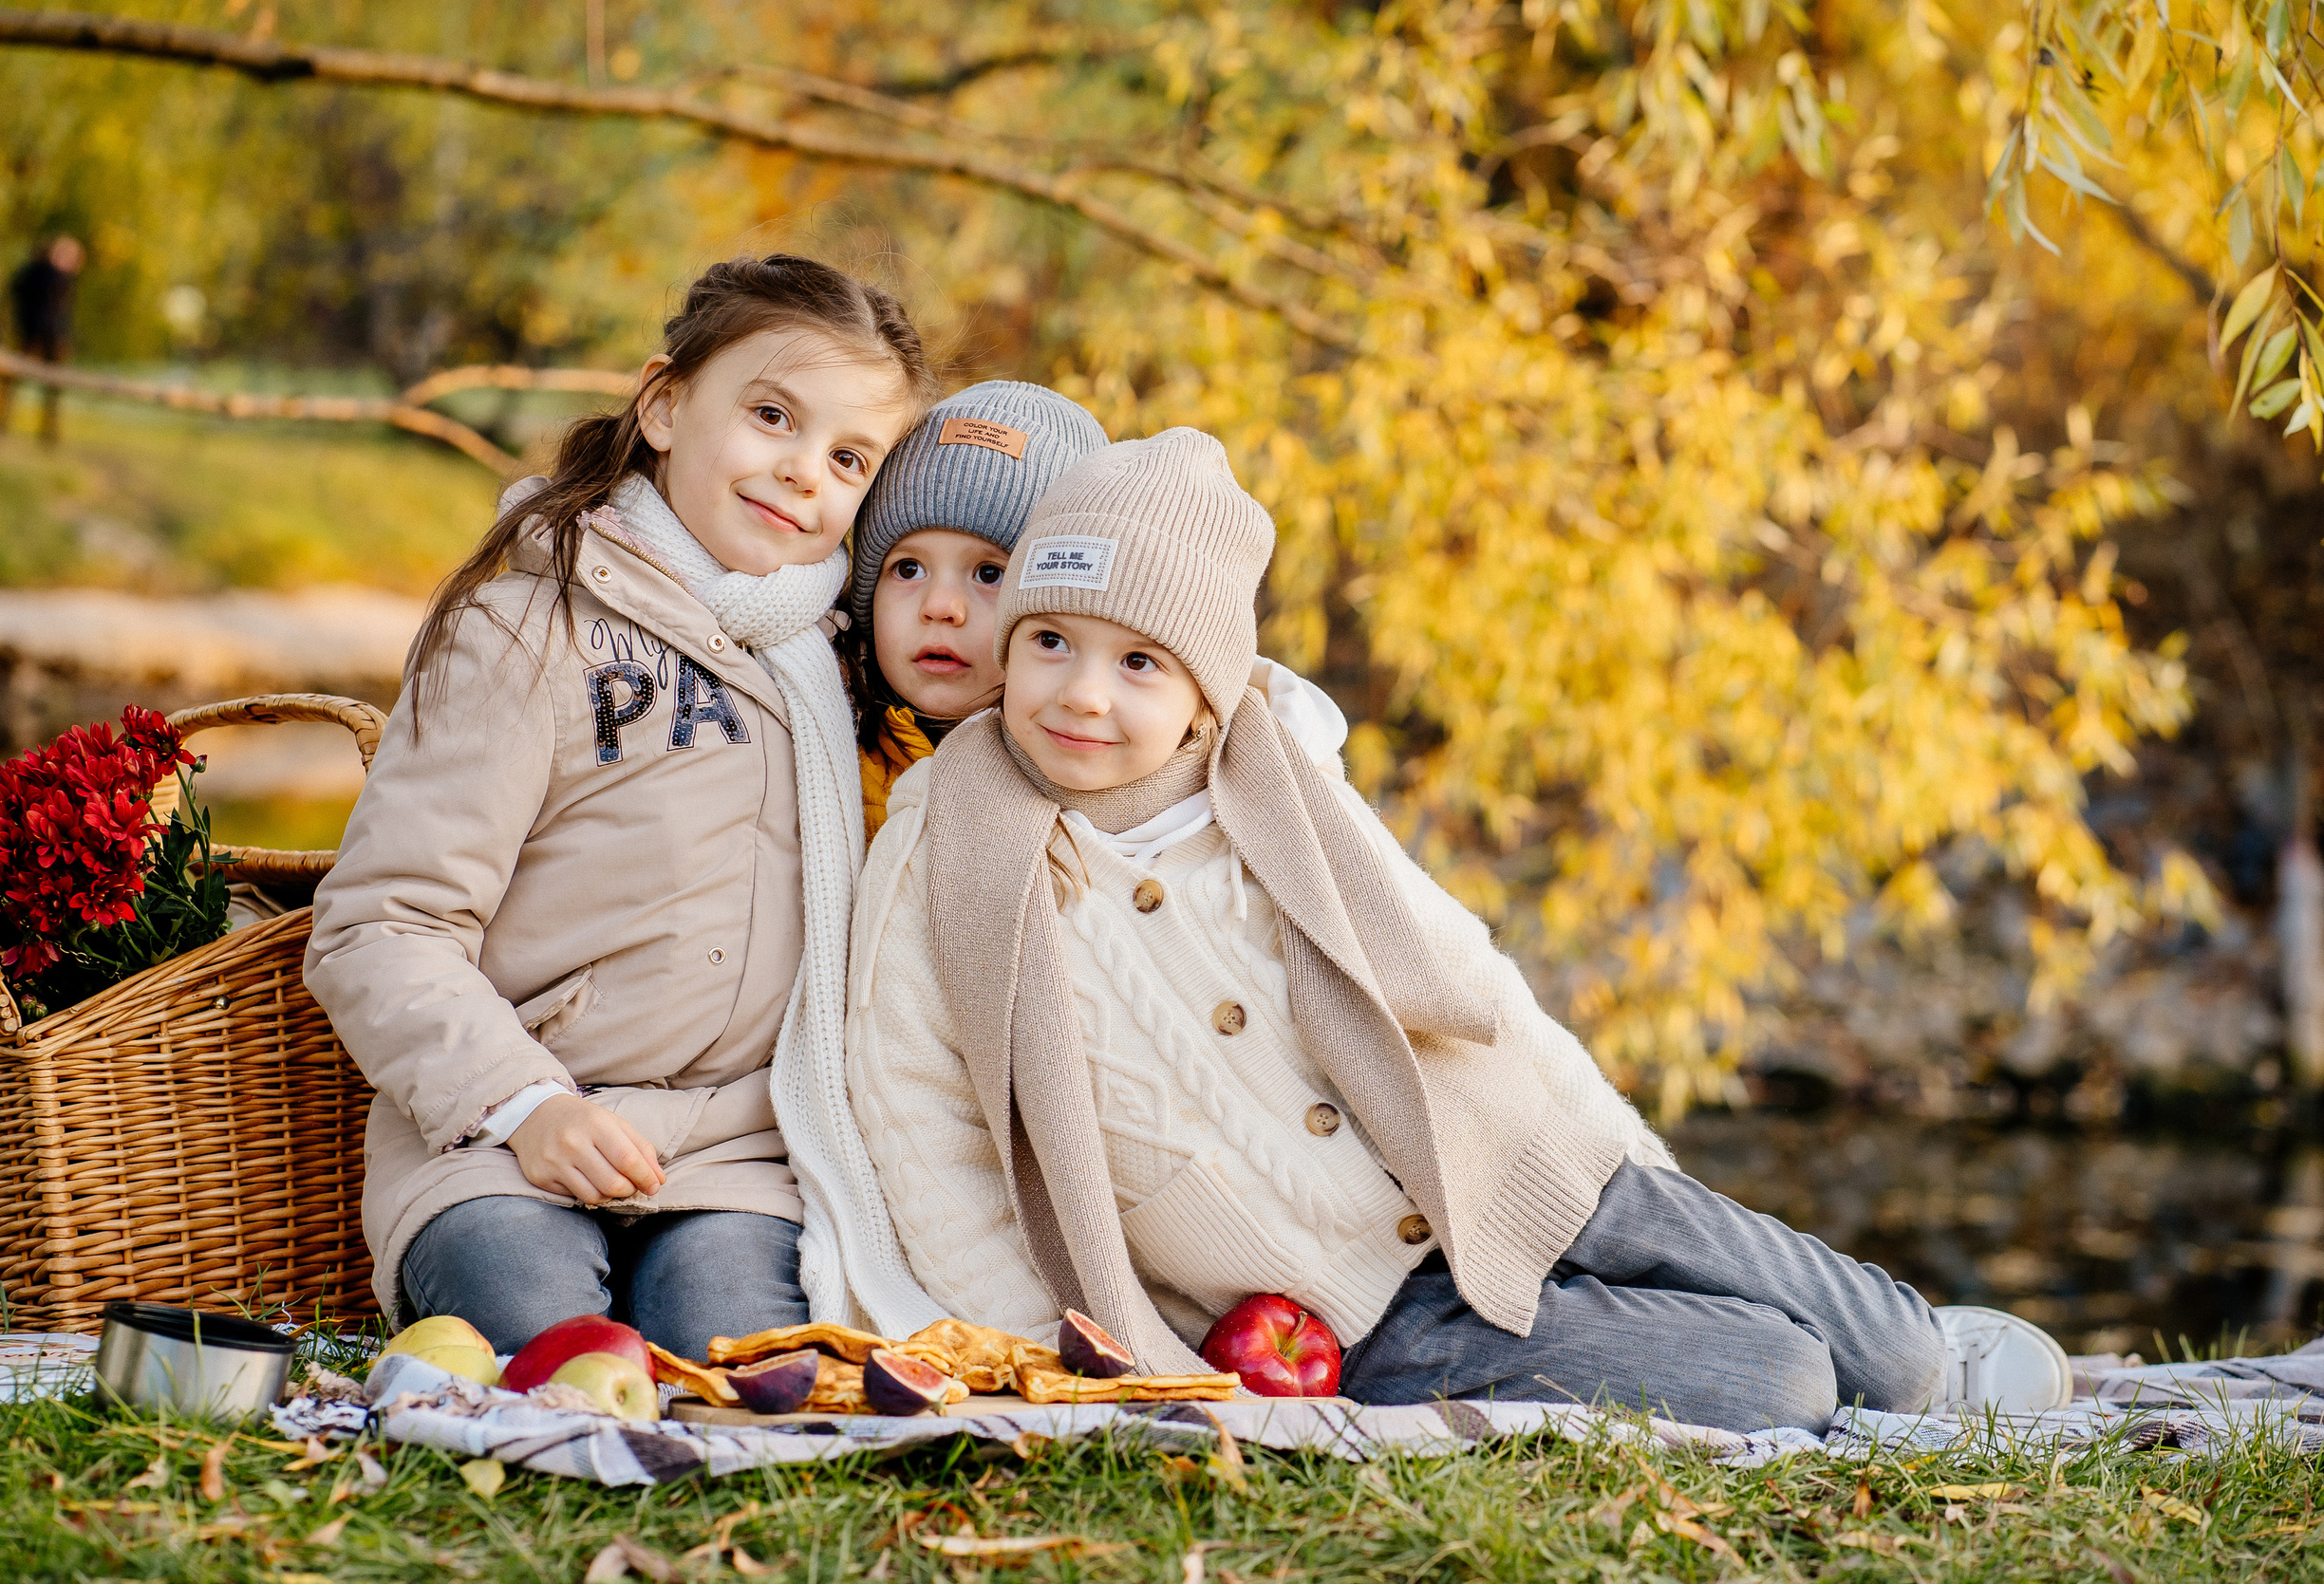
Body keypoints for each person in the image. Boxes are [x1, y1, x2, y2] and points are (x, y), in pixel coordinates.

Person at [837, 427, 2072, 1433]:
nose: (1083, 692)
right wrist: (1062, 1340)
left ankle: (1930, 1344)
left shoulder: (1274, 782)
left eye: (1138, 662)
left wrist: (1612, 1150)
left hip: (1495, 1147)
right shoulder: (951, 841)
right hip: (1343, 1307)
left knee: (1887, 1348)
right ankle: (1699, 1339)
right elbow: (919, 1113)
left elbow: (1464, 974)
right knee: (1776, 1382)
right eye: (1050, 640)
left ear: (1206, 689)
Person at [304, 255, 936, 1359]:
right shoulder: (525, 630)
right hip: (505, 1133)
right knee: (537, 1338)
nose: (800, 473)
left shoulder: (843, 671)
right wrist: (523, 1107)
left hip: (740, 1152)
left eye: (846, 457)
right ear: (664, 403)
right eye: (772, 416)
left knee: (737, 1361)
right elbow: (381, 926)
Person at [845, 382, 1109, 833]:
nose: (941, 607)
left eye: (990, 574)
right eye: (908, 569)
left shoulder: (1102, 785)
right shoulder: (818, 741)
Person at [0, 234, 83, 443]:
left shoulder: (58, 276)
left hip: (50, 335)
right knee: (14, 380)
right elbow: (18, 291)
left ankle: (47, 430)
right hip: (34, 333)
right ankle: (4, 423)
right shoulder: (43, 273)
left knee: (51, 387)